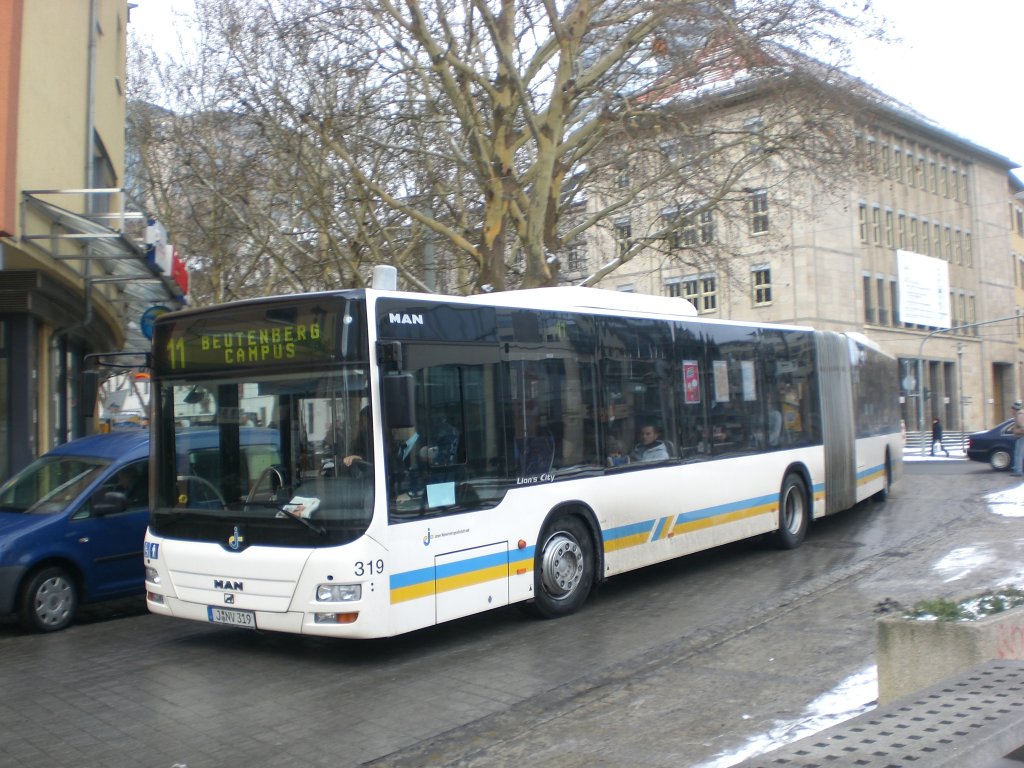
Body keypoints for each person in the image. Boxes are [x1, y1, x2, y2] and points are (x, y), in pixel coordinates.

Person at [1011, 401, 1024, 477]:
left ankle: (1018, 471)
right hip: (1020, 437)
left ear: (1015, 409)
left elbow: (1023, 428)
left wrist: (1016, 431)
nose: (1011, 410)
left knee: (1019, 454)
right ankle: (1017, 470)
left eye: (1012, 408)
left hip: (1021, 437)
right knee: (1018, 454)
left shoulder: (1020, 416)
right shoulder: (1019, 415)